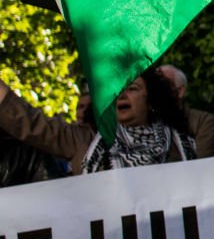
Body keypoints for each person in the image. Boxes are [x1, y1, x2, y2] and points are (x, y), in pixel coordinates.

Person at [0, 70, 196, 174]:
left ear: (151, 100)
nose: (121, 94)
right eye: (115, 89)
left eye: (133, 89)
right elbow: (30, 123)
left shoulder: (178, 145)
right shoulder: (83, 139)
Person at [157, 64, 214, 157]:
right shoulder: (143, 120)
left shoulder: (202, 121)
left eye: (163, 84)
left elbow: (203, 163)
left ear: (180, 91)